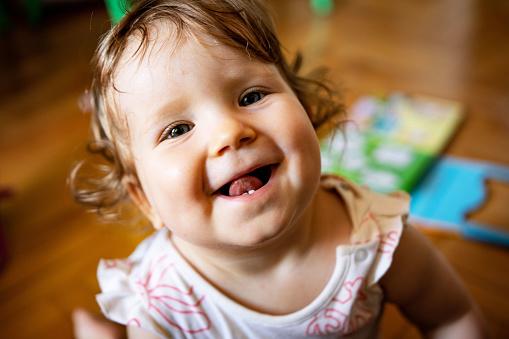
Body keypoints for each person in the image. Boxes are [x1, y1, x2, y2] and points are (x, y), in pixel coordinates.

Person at [70, 0, 489, 338]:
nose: (229, 133)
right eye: (178, 129)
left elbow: (452, 317)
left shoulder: (374, 237)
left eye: (251, 96)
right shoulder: (161, 304)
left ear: (305, 112)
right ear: (145, 199)